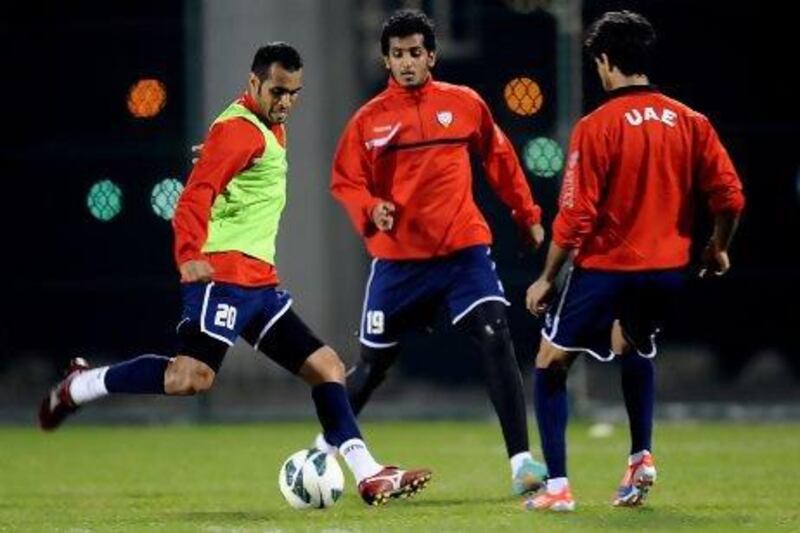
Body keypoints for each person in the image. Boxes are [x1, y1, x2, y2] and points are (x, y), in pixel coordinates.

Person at [38, 42, 431, 507]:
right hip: (221, 276)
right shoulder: (240, 132)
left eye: (294, 93)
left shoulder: (262, 125)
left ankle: (369, 476)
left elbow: (226, 166)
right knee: (191, 379)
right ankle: (80, 386)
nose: (286, 102)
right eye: (278, 91)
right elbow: (193, 197)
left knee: (326, 368)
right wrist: (188, 254)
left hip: (260, 285)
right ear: (254, 84)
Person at [523, 11, 745, 512]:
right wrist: (718, 245)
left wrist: (546, 278)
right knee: (633, 342)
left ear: (604, 61)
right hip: (666, 272)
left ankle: (556, 488)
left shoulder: (595, 126)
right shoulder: (691, 121)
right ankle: (640, 457)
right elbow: (730, 196)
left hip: (607, 269)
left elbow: (576, 215)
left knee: (549, 363)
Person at [322, 9, 548, 496]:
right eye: (398, 54)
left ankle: (522, 464)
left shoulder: (463, 104)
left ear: (431, 56)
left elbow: (500, 157)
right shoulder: (369, 120)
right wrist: (371, 207)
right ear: (386, 59)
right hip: (399, 262)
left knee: (495, 335)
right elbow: (345, 180)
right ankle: (321, 452)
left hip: (462, 252)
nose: (407, 62)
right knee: (373, 366)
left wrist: (525, 213)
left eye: (415, 53)